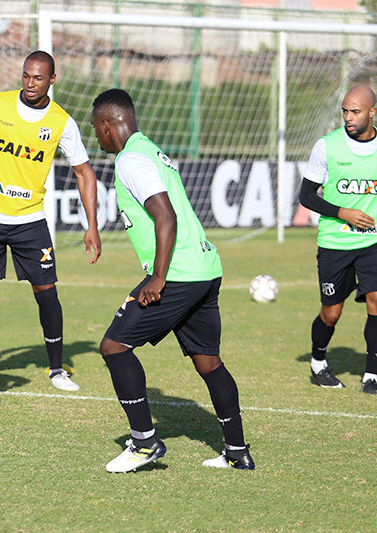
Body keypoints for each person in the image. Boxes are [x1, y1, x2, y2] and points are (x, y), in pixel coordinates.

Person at [91, 89, 254, 473]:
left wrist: (159, 277)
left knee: (114, 346)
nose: (96, 137)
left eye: (95, 129)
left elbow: (165, 215)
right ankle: (236, 451)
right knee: (208, 362)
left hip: (178, 274)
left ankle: (144, 443)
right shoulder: (150, 149)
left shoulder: (131, 159)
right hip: (205, 269)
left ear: (107, 125)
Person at [0, 50, 101, 390]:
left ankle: (56, 370)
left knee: (46, 292)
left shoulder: (61, 122)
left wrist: (92, 225)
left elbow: (84, 172)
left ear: (51, 80)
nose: (30, 83)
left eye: (38, 78)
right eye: (26, 75)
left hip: (30, 220)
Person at [298, 84, 377, 394]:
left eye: (355, 111)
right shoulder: (327, 146)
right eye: (345, 111)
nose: (348, 117)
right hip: (335, 244)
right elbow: (306, 196)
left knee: (376, 302)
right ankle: (318, 362)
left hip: (372, 243)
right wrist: (342, 212)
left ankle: (372, 373)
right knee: (331, 313)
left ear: (372, 112)